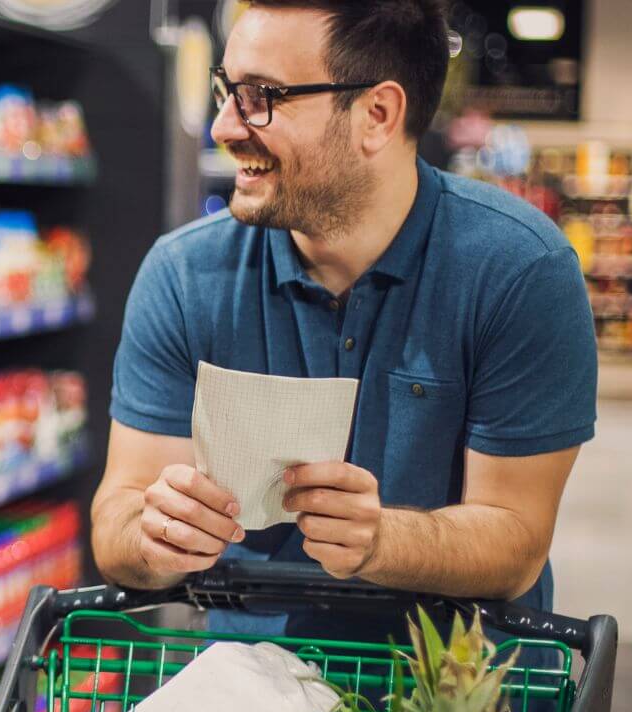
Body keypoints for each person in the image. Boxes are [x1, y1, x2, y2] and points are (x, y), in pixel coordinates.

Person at [91, 0, 597, 643]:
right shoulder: (185, 274)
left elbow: (517, 537)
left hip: (462, 710)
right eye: (226, 90)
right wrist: (154, 533)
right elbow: (117, 517)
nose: (223, 126)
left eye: (260, 97)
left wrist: (383, 538)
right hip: (246, 706)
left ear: (377, 115)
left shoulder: (518, 270)